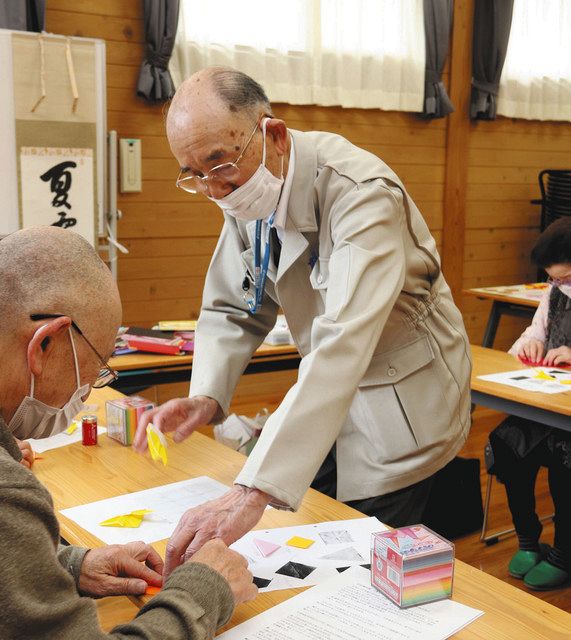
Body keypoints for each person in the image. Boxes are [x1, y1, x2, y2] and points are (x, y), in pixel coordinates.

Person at [133, 67, 472, 578]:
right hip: (328, 387)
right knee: (314, 534)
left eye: (218, 164)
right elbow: (232, 305)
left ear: (272, 134)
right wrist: (206, 394)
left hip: (401, 389)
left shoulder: (361, 192)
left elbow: (345, 339)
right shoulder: (244, 188)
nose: (212, 188)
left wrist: (250, 490)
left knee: (368, 555)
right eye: (193, 173)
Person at [0, 227, 256, 639]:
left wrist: (68, 565)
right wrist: (202, 594)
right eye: (94, 370)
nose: (84, 393)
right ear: (43, 345)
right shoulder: (9, 495)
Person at [489, 217, 571, 590]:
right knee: (505, 445)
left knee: (563, 458)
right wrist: (531, 345)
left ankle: (565, 553)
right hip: (548, 406)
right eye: (552, 279)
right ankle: (527, 539)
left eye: (565, 278)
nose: (558, 286)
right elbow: (527, 337)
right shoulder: (554, 293)